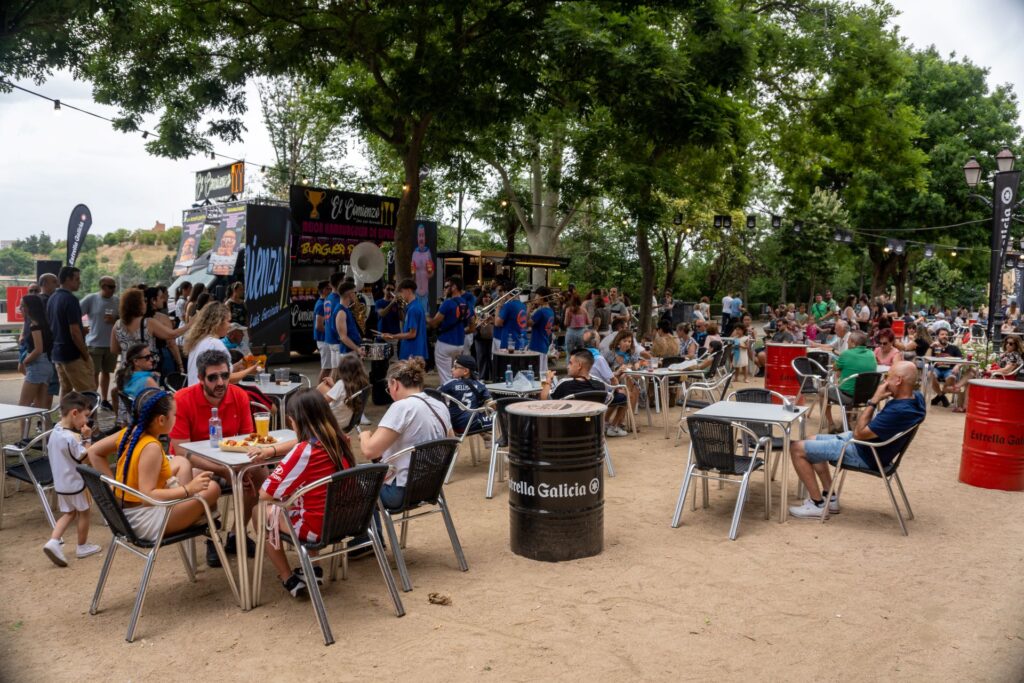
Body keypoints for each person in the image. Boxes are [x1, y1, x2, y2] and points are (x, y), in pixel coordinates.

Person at [169, 351, 284, 565]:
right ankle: (212, 537)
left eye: (224, 375)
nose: (220, 382)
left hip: (230, 460)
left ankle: (236, 534)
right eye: (213, 377)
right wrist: (224, 471)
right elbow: (183, 452)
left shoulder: (239, 395)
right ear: (201, 379)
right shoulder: (182, 399)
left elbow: (248, 441)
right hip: (195, 464)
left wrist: (241, 468)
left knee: (259, 472)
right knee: (200, 478)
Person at [787, 361, 926, 518]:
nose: (884, 381)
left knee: (797, 448)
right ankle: (829, 497)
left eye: (888, 377)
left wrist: (873, 401)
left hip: (865, 452)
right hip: (870, 446)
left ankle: (817, 504)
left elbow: (859, 433)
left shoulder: (899, 411)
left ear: (899, 380)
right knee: (811, 439)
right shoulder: (917, 399)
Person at [86, 388, 221, 541]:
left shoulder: (131, 432)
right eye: (174, 415)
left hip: (128, 512)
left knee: (182, 462)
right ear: (161, 420)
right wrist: (187, 489)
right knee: (213, 488)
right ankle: (191, 512)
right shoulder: (151, 447)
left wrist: (114, 487)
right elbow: (147, 496)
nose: (176, 418)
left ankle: (187, 508)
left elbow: (94, 452)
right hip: (144, 520)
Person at [260, 390, 355, 597]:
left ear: (295, 421)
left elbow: (265, 494)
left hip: (319, 528)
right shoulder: (342, 440)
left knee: (260, 513)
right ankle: (313, 568)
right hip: (348, 520)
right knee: (308, 502)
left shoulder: (304, 451)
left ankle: (288, 578)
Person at [359, 359, 452, 510]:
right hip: (430, 488)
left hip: (400, 492)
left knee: (349, 487)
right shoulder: (439, 405)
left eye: (388, 389)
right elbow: (451, 443)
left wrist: (364, 436)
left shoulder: (402, 407)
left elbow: (369, 451)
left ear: (394, 384)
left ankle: (369, 534)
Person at [41, 392, 103, 566]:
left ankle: (53, 541)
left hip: (61, 484)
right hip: (77, 483)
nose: (86, 421)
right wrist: (88, 438)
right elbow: (88, 456)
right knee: (84, 512)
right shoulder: (71, 438)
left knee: (69, 513)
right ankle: (82, 546)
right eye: (85, 416)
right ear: (74, 413)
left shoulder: (56, 431)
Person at [541, 349, 628, 436]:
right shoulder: (600, 386)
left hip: (565, 433)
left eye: (570, 363)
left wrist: (548, 380)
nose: (567, 366)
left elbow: (545, 400)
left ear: (579, 365)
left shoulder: (565, 384)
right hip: (592, 433)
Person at [47, 267, 97, 396]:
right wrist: (85, 353)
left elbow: (56, 325)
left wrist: (81, 330)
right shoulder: (71, 299)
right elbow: (74, 331)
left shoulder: (52, 298)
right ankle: (90, 417)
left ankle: (64, 416)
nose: (79, 282)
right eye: (77, 279)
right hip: (73, 354)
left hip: (58, 352)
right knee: (88, 393)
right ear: (68, 279)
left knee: (66, 390)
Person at [16, 294, 54, 442]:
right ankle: (49, 439)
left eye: (22, 306)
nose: (20, 308)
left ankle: (23, 439)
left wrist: (26, 360)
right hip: (47, 365)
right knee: (42, 408)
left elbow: (38, 349)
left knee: (23, 406)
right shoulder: (43, 323)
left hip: (37, 366)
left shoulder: (34, 324)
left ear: (30, 308)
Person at [184, 302, 249, 386]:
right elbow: (227, 379)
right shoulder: (215, 344)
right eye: (228, 321)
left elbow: (215, 372)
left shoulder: (198, 341)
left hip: (193, 395)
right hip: (207, 397)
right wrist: (250, 369)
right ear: (218, 322)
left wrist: (239, 365)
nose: (230, 326)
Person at [823, 331, 877, 432]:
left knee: (823, 391)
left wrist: (840, 368)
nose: (847, 343)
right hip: (867, 396)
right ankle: (845, 423)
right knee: (851, 386)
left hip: (848, 396)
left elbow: (835, 367)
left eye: (848, 342)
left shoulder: (846, 354)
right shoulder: (871, 354)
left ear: (853, 342)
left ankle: (831, 424)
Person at [80, 276, 119, 408]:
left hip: (111, 344)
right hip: (94, 343)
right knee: (94, 374)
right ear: (102, 286)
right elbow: (75, 314)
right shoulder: (91, 299)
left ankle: (104, 400)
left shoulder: (117, 300)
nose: (114, 289)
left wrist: (114, 320)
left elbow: (123, 319)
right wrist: (82, 328)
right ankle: (93, 401)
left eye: (114, 287)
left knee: (107, 372)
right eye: (111, 287)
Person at [316, 352, 370, 432]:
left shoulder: (341, 384)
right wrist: (334, 386)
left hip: (333, 420)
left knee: (321, 388)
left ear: (342, 370)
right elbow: (345, 394)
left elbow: (323, 401)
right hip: (348, 420)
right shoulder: (362, 383)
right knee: (325, 387)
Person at [429, 276, 469, 384]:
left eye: (447, 286)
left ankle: (448, 400)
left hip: (445, 343)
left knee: (446, 378)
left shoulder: (447, 303)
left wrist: (426, 317)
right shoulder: (465, 303)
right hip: (460, 344)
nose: (444, 289)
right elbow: (471, 324)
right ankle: (457, 397)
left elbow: (434, 323)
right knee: (456, 375)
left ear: (454, 287)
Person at [439, 355, 494, 434]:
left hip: (455, 427)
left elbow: (434, 394)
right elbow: (491, 405)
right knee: (479, 412)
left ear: (465, 371)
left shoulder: (451, 383)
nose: (452, 369)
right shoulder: (480, 385)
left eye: (455, 367)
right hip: (474, 426)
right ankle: (485, 435)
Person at [115, 343, 160, 425]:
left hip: (134, 421)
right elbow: (165, 405)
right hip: (150, 422)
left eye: (151, 355)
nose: (152, 359)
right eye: (147, 357)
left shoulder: (126, 377)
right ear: (136, 361)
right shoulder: (148, 381)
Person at [384, 279, 427, 361]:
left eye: (401, 291)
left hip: (412, 353)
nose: (400, 295)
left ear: (408, 290)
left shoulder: (413, 309)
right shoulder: (415, 306)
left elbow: (412, 334)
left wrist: (392, 336)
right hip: (415, 352)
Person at [925, 328, 962, 408]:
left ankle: (939, 397)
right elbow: (926, 359)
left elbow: (961, 360)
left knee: (952, 377)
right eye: (942, 334)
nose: (944, 336)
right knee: (929, 374)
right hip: (936, 369)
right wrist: (931, 347)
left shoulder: (954, 348)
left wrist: (957, 366)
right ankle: (941, 396)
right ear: (937, 336)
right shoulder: (934, 347)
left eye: (946, 334)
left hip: (949, 369)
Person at [528, 286, 555, 375]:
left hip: (536, 346)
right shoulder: (550, 311)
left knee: (535, 374)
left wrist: (528, 310)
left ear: (543, 297)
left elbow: (527, 323)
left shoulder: (540, 312)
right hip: (544, 345)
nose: (535, 298)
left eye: (537, 296)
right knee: (543, 374)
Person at [334, 282, 365, 358]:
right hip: (347, 353)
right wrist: (357, 349)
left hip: (351, 351)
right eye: (354, 292)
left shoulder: (346, 309)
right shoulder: (341, 312)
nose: (355, 295)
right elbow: (343, 337)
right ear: (350, 294)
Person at [495, 285, 527, 351]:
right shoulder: (523, 305)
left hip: (509, 343)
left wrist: (498, 307)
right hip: (520, 342)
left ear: (507, 292)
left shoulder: (508, 305)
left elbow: (497, 323)